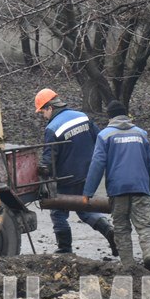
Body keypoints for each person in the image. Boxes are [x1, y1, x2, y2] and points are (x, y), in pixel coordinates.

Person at [35, 88, 117, 256]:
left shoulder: (52, 128)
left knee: (58, 211)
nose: (43, 116)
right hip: (89, 174)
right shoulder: (82, 116)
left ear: (50, 107)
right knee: (85, 208)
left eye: (42, 111)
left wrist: (42, 172)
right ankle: (109, 230)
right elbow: (100, 139)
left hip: (67, 178)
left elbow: (49, 158)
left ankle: (65, 250)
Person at [82, 99, 150, 272]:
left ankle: (128, 266)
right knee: (145, 225)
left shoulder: (105, 135)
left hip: (118, 191)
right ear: (126, 115)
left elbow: (97, 164)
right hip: (140, 188)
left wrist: (88, 192)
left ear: (110, 117)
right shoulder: (141, 134)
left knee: (121, 228)